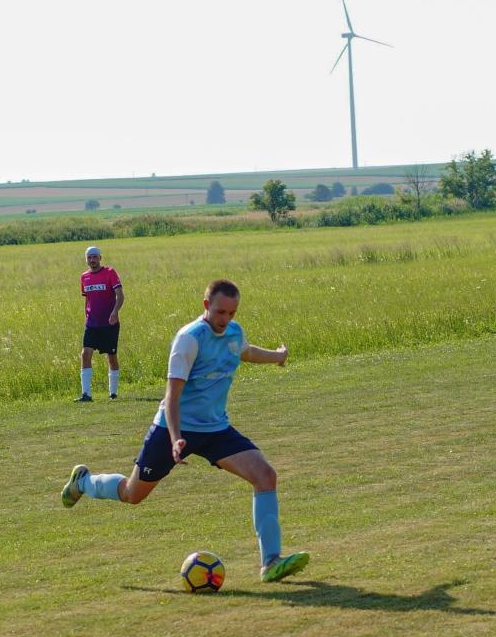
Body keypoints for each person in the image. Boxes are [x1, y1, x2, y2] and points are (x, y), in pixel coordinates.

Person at [60, 279, 310, 582]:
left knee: (265, 476)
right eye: (220, 312)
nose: (226, 319)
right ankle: (83, 483)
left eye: (232, 313)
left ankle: (271, 562)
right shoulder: (189, 339)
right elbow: (172, 398)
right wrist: (176, 438)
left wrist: (277, 356)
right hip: (173, 427)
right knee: (132, 493)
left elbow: (244, 351)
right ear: (206, 306)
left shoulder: (233, 331)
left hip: (216, 429)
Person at [77, 245, 124, 402]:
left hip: (109, 323)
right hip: (92, 324)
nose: (92, 260)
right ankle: (86, 394)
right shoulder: (84, 277)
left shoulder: (110, 273)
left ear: (100, 258)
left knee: (111, 357)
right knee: (85, 354)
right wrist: (86, 315)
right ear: (86, 259)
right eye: (89, 257)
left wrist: (115, 312)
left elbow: (120, 295)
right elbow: (87, 299)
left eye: (95, 257)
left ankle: (113, 393)